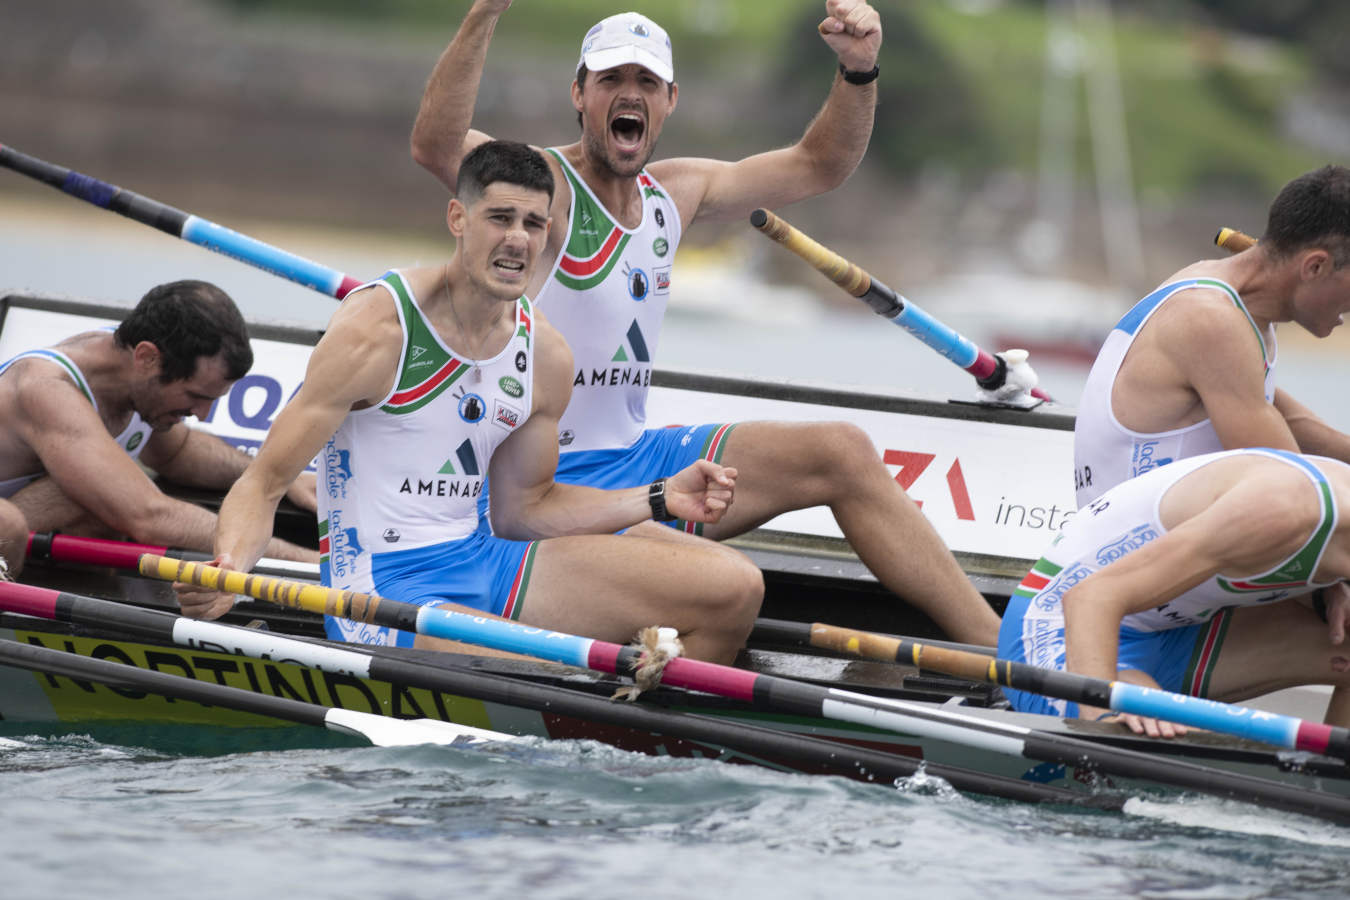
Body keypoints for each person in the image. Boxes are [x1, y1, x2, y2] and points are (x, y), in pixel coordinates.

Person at [408, 1, 1001, 646]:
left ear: (669, 101)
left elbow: (819, 165)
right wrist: (486, 11)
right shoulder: (542, 189)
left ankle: (1005, 657)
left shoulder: (677, 192)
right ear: (579, 93)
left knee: (842, 449)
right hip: (551, 481)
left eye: (646, 84)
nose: (628, 95)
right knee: (733, 584)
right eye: (610, 80)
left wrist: (858, 71)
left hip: (637, 453)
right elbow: (436, 146)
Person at [182, 141, 763, 665]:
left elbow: (525, 514)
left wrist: (659, 498)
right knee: (547, 672)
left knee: (734, 586)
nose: (519, 239)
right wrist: (230, 569)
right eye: (501, 218)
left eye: (535, 223)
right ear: (458, 218)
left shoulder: (545, 356)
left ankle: (664, 741)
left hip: (485, 560)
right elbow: (264, 483)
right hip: (382, 589)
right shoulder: (375, 331)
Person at [1001, 446, 1350, 736]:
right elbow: (1091, 598)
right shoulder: (1281, 511)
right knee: (1154, 737)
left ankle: (1335, 782)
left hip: (1175, 631)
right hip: (1062, 625)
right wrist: (1100, 724)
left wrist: (1324, 590)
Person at [1073, 165, 1350, 508]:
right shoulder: (1210, 320)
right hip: (1135, 549)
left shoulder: (1221, 291)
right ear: (1315, 267)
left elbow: (1285, 418)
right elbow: (1293, 489)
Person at [0, 280, 317, 563]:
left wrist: (277, 478)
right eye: (195, 395)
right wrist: (305, 563)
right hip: (8, 527)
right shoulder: (46, 389)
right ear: (147, 358)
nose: (203, 414)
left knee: (99, 492)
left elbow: (179, 452)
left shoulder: (131, 366)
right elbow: (150, 515)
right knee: (89, 499)